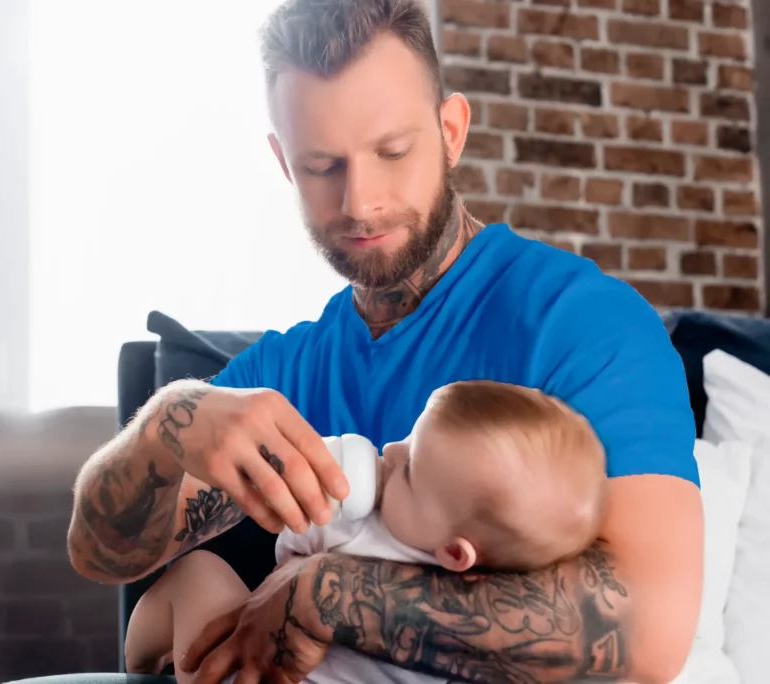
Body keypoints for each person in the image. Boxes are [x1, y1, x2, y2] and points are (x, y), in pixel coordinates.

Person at [67, 0, 703, 682]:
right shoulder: (289, 372)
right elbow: (105, 555)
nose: (360, 201)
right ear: (285, 165)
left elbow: (651, 635)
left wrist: (325, 594)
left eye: (392, 151)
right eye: (321, 166)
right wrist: (166, 426)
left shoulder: (581, 324)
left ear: (451, 131)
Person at [122, 380, 608, 683]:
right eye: (410, 439)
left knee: (201, 574)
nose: (391, 452)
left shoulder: (357, 528)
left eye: (410, 470)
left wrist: (316, 484)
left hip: (257, 673)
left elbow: (290, 547)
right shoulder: (492, 619)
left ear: (456, 552)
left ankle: (140, 665)